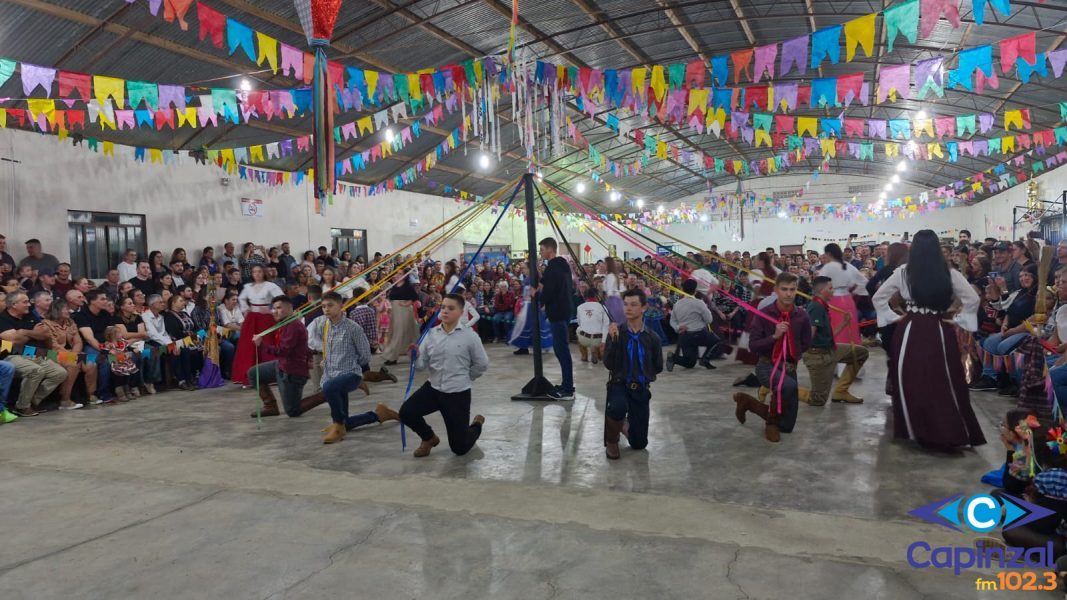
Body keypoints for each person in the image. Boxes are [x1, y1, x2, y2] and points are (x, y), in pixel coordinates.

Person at [873, 229, 986, 451]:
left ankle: (917, 430)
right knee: (944, 378)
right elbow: (972, 298)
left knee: (910, 380)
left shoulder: (903, 272)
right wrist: (960, 320)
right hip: (938, 328)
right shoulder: (948, 272)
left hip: (909, 330)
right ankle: (948, 431)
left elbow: (878, 297)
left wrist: (894, 317)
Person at [399, 293, 489, 458]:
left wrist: (468, 378)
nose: (445, 311)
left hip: (457, 393)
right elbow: (421, 366)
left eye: (451, 308)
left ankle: (476, 424)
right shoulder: (432, 334)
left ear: (461, 312)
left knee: (459, 448)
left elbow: (482, 364)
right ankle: (429, 438)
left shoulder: (470, 336)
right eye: (443, 307)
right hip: (433, 388)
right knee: (406, 412)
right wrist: (415, 357)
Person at [308, 292, 400, 444]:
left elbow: (365, 356)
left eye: (330, 305)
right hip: (332, 374)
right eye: (323, 306)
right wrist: (328, 360)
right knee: (346, 422)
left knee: (329, 388)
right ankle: (379, 414)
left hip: (351, 374)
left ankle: (338, 427)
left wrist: (349, 364)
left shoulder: (353, 328)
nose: (326, 309)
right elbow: (328, 349)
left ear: (341, 306)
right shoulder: (324, 326)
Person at [733, 272, 812, 443]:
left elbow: (806, 343)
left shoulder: (802, 316)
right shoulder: (763, 314)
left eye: (792, 289)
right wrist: (774, 337)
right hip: (766, 366)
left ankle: (748, 402)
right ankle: (771, 424)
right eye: (784, 289)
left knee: (787, 426)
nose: (789, 294)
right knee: (787, 386)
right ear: (776, 290)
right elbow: (753, 346)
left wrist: (792, 354)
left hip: (789, 369)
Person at [601, 288, 664, 459]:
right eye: (626, 304)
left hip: (641, 387)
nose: (628, 308)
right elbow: (609, 364)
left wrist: (643, 373)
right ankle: (612, 439)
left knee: (639, 444)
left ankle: (624, 425)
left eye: (634, 305)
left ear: (643, 308)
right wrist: (613, 340)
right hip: (619, 384)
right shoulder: (616, 332)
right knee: (618, 406)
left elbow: (658, 366)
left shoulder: (653, 338)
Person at [245, 296, 325, 418]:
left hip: (292, 373)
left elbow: (284, 351)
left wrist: (261, 345)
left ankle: (327, 394)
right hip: (282, 366)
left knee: (293, 411)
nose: (274, 311)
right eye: (273, 308)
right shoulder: (286, 323)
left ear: (289, 308)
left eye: (278, 308)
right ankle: (270, 406)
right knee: (253, 373)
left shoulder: (294, 326)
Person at [801, 276, 869, 406]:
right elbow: (810, 335)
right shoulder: (816, 307)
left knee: (861, 353)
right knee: (818, 399)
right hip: (818, 355)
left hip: (829, 348)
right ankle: (780, 389)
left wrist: (844, 323)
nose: (833, 291)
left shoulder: (822, 306)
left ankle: (840, 392)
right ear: (822, 291)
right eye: (830, 288)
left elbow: (828, 336)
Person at [0, 291, 68, 416]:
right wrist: (33, 333)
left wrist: (23, 332)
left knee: (60, 373)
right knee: (35, 371)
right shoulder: (2, 319)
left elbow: (45, 333)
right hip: (11, 355)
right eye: (25, 302)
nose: (28, 304)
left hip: (35, 353)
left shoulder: (29, 315)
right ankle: (22, 407)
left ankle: (32, 401)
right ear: (14, 305)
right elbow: (13, 340)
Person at [535, 237, 575, 401]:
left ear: (549, 250)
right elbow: (547, 282)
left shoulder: (553, 268)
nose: (541, 253)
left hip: (557, 312)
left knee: (561, 350)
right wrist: (538, 271)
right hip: (564, 310)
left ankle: (567, 389)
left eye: (542, 250)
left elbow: (548, 292)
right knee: (561, 349)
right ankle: (567, 384)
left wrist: (537, 295)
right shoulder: (561, 265)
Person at [232, 265, 284, 386]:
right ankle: (249, 375)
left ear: (264, 272)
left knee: (267, 342)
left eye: (259, 271)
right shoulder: (248, 287)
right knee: (249, 346)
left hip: (267, 318)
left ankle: (271, 375)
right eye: (254, 272)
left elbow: (281, 298)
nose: (257, 274)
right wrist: (246, 309)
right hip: (252, 318)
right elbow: (241, 298)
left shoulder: (271, 286)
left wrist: (273, 310)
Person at [40, 300, 92, 409]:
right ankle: (65, 400)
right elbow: (53, 345)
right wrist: (71, 356)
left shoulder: (71, 322)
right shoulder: (46, 324)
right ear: (57, 310)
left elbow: (78, 341)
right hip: (51, 353)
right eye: (65, 309)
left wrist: (74, 353)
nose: (69, 311)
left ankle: (90, 395)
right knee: (73, 363)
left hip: (71, 352)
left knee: (91, 361)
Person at [817, 243, 868, 345]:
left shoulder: (827, 267)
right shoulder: (848, 266)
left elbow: (819, 287)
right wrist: (854, 292)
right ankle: (851, 352)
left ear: (829, 253)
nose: (824, 256)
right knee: (849, 328)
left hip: (832, 301)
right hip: (848, 300)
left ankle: (837, 352)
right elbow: (864, 282)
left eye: (825, 254)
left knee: (835, 327)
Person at [666, 279, 718, 371]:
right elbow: (709, 319)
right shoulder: (699, 303)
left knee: (690, 363)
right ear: (695, 290)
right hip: (699, 335)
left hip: (684, 336)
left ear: (683, 289)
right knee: (717, 341)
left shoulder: (677, 304)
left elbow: (672, 321)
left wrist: (678, 327)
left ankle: (673, 357)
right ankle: (705, 359)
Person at [74, 290, 115, 403]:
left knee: (125, 356)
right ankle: (102, 393)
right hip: (90, 346)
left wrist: (112, 344)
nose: (106, 301)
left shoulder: (105, 314)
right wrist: (105, 349)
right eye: (102, 299)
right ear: (92, 301)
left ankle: (123, 388)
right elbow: (89, 338)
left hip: (106, 344)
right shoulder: (81, 316)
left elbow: (111, 333)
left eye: (105, 298)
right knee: (103, 360)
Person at [162, 294, 203, 391]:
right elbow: (175, 331)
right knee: (186, 351)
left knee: (201, 349)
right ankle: (183, 379)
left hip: (191, 340)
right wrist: (190, 336)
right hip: (177, 341)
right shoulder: (169, 316)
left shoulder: (185, 314)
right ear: (173, 303)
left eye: (183, 301)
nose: (183, 303)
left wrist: (195, 336)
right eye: (181, 301)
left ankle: (195, 376)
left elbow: (196, 327)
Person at [381, 271, 419, 366]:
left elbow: (415, 297)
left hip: (404, 311)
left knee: (400, 332)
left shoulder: (408, 286)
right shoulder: (394, 285)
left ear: (405, 276)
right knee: (396, 332)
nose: (397, 275)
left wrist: (407, 303)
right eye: (397, 274)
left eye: (400, 274)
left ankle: (392, 356)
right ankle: (410, 353)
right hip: (395, 312)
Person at [575, 289, 609, 364]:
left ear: (585, 297)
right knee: (603, 328)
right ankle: (597, 351)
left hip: (584, 339)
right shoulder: (603, 307)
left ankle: (584, 355)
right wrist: (603, 342)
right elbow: (606, 325)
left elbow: (579, 323)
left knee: (578, 329)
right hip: (598, 340)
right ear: (597, 296)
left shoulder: (579, 307)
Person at [602, 256, 624, 324]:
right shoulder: (613, 275)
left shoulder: (610, 276)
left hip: (612, 302)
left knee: (612, 322)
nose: (603, 265)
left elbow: (610, 292)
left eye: (604, 264)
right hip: (616, 301)